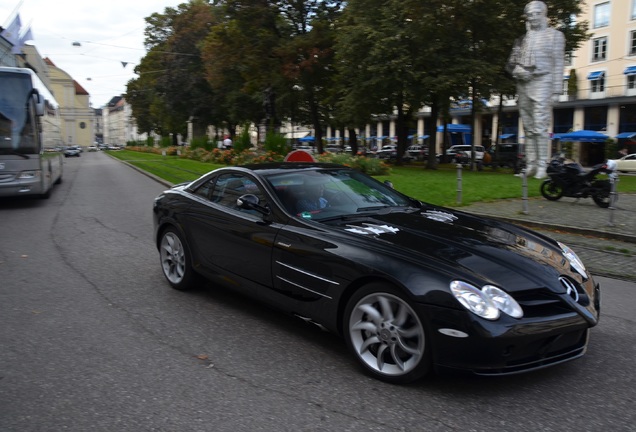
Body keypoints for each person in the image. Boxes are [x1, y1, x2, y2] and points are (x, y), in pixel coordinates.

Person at [507, 1, 565, 179]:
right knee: (528, 127)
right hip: (523, 84)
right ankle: (530, 165)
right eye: (529, 14)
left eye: (536, 13)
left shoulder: (555, 36)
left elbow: (558, 64)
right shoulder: (523, 39)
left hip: (543, 81)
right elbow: (512, 62)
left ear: (544, 14)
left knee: (540, 126)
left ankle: (542, 165)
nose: (532, 17)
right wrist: (516, 70)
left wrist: (556, 90)